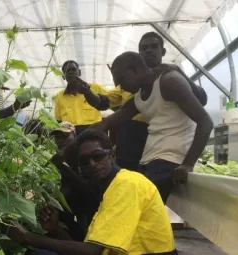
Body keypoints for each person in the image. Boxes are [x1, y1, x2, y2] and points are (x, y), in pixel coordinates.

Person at [6, 129, 177, 255]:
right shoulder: (109, 188)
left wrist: (27, 237)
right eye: (85, 161)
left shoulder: (127, 183)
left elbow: (92, 251)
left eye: (98, 156)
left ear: (112, 155)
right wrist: (55, 229)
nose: (93, 164)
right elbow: (92, 247)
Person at [92, 51, 213, 204]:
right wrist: (68, 149)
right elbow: (106, 123)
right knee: (141, 211)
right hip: (149, 161)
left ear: (134, 70)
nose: (121, 87)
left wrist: (188, 164)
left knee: (137, 207)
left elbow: (205, 122)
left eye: (122, 80)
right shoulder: (139, 97)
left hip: (169, 161)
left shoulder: (169, 81)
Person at [106, 31, 208, 171]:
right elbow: (110, 107)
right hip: (144, 142)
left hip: (169, 151)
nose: (148, 51)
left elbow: (202, 101)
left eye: (154, 46)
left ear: (163, 51)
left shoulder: (170, 78)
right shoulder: (133, 86)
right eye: (144, 48)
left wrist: (180, 72)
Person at [54, 61, 110, 135]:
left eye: (73, 69)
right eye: (67, 71)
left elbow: (111, 102)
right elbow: (59, 121)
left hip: (93, 132)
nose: (71, 72)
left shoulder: (95, 88)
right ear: (63, 76)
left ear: (79, 72)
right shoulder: (59, 96)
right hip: (71, 134)